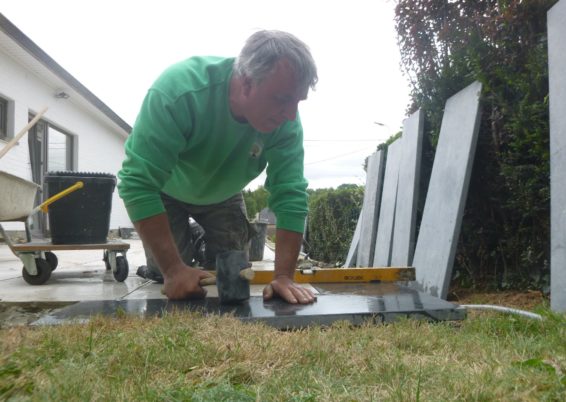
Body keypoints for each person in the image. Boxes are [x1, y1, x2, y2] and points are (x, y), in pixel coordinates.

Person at [118, 30, 317, 304]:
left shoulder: (287, 123)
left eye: (297, 102)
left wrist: (283, 276)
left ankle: (198, 238)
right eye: (282, 99)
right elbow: (136, 183)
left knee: (235, 275)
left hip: (224, 195)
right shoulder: (179, 91)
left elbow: (290, 194)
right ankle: (178, 251)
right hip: (166, 191)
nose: (291, 115)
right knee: (169, 275)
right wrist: (174, 269)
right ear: (246, 83)